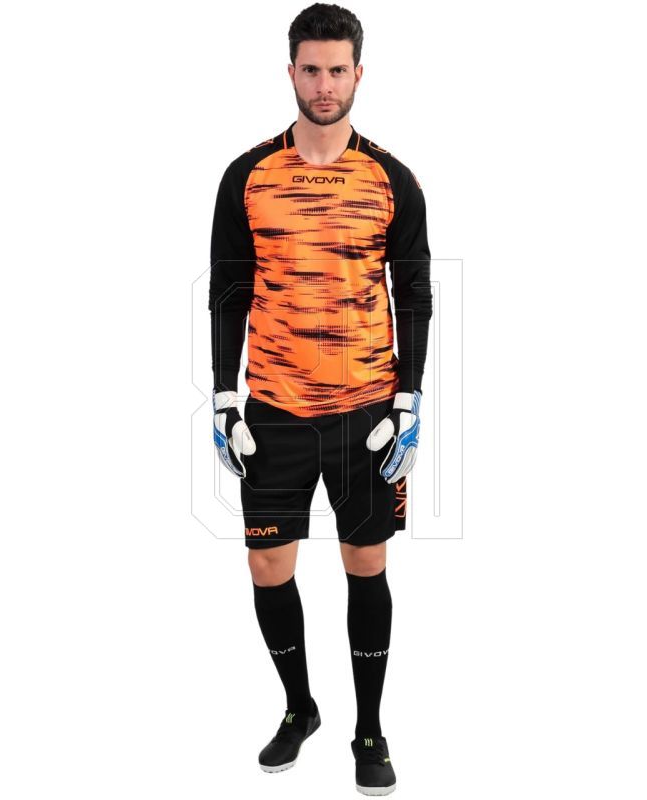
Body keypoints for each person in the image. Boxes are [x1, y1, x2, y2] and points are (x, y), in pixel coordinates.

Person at [208, 3, 432, 795]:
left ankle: (369, 728)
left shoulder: (391, 179)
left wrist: (409, 400)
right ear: (291, 72)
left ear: (359, 73)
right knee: (268, 563)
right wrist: (222, 396)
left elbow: (414, 293)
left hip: (365, 409)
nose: (325, 84)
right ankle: (300, 708)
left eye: (339, 69)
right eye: (312, 69)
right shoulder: (247, 175)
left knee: (364, 563)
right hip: (273, 407)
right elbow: (228, 289)